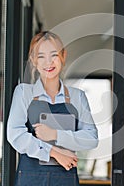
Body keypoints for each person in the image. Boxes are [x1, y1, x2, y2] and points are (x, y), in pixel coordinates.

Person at [7, 31, 98, 186]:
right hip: (31, 180)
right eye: (41, 56)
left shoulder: (77, 97)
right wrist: (55, 152)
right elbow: (15, 135)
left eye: (54, 55)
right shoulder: (24, 93)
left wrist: (55, 134)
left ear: (63, 56)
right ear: (34, 60)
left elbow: (91, 139)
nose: (48, 62)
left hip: (65, 179)